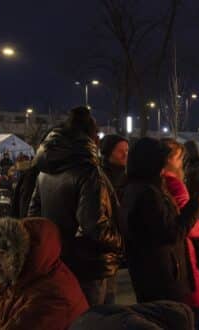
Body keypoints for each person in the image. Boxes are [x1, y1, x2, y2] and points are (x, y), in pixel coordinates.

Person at [28, 106, 123, 306]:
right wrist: (120, 241)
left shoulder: (45, 171)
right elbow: (94, 226)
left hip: (58, 261)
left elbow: (34, 215)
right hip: (89, 266)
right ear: (91, 138)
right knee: (96, 319)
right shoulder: (88, 172)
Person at [121, 137, 199, 306]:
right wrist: (194, 207)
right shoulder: (149, 194)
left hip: (151, 273)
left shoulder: (135, 188)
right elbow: (171, 233)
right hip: (162, 276)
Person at [162, 138, 199, 330]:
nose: (181, 162)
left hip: (165, 261)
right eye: (179, 158)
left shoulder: (153, 182)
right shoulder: (173, 183)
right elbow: (190, 223)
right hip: (181, 254)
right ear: (169, 160)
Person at [100, 134, 129, 202]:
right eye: (120, 151)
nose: (125, 154)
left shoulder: (129, 175)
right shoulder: (100, 176)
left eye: (127, 150)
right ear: (109, 153)